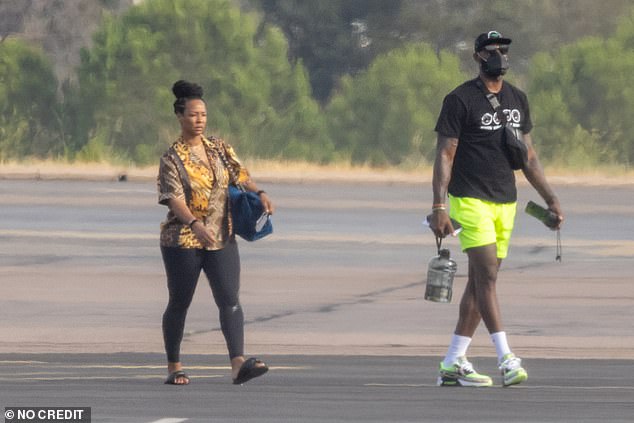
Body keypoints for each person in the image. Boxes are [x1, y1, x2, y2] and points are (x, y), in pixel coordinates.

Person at [429, 31, 563, 387]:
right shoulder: (459, 100)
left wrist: (550, 198)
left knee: (479, 282)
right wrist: (439, 205)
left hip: (506, 200)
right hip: (468, 200)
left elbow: (529, 157)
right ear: (477, 57)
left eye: (503, 50)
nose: (499, 56)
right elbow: (445, 154)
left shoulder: (517, 99)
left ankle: (453, 362)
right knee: (486, 277)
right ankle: (507, 358)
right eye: (491, 50)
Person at [157, 80, 274, 385]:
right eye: (194, 115)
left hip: (222, 236)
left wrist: (259, 192)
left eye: (203, 115)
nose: (199, 120)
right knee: (180, 302)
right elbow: (174, 200)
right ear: (180, 116)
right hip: (183, 240)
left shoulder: (219, 148)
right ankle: (174, 366)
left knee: (230, 299)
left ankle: (237, 362)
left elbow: (240, 174)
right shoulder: (172, 158)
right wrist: (195, 225)